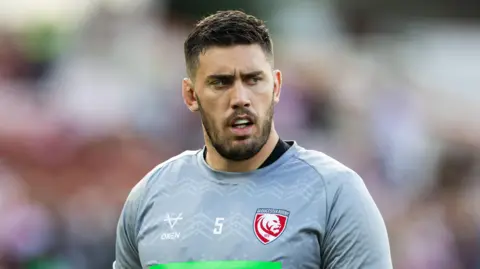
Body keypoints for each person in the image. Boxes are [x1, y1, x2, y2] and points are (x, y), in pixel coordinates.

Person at [114, 10, 392, 269]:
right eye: (220, 82)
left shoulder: (334, 194)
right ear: (190, 95)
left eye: (253, 79)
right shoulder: (151, 195)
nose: (240, 99)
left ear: (276, 86)